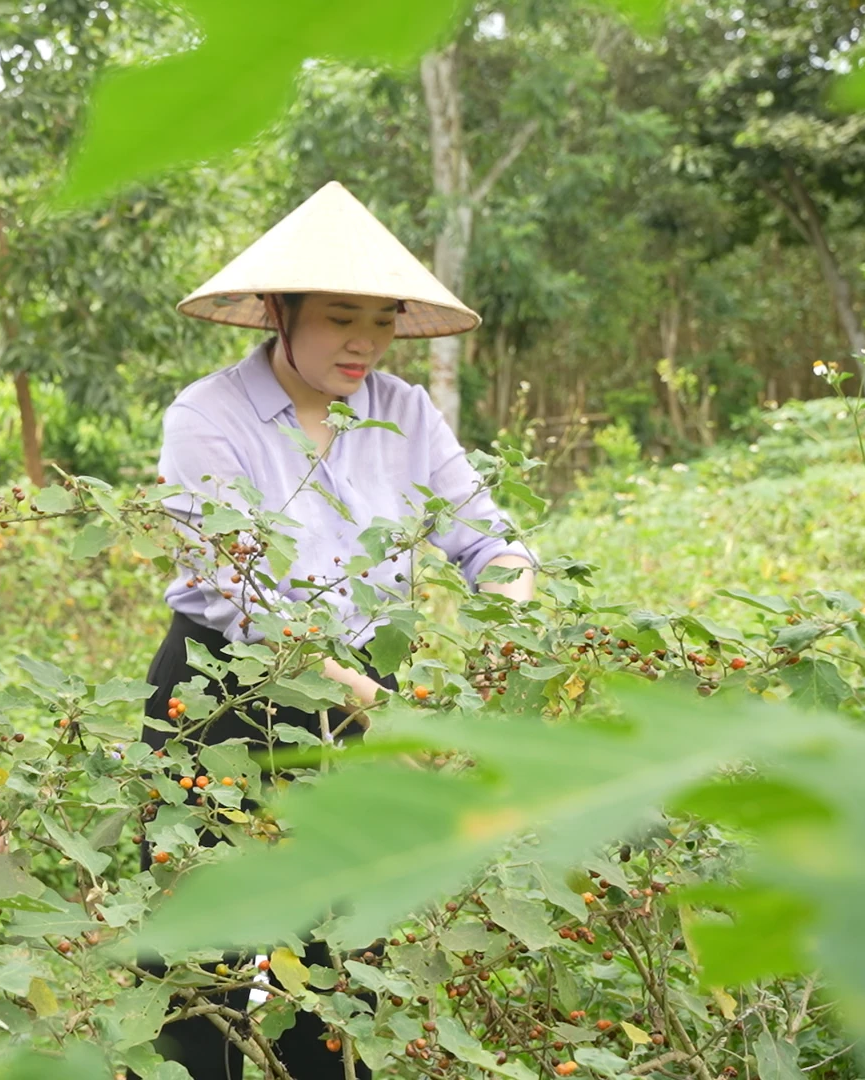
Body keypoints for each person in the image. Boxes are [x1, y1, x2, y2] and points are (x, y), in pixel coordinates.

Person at [141, 181, 536, 1080]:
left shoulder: (402, 410)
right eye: (339, 318)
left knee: (340, 962)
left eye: (382, 320)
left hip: (365, 698)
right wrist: (368, 704)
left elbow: (485, 536)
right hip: (221, 696)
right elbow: (230, 585)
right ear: (279, 312)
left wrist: (507, 626)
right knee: (198, 961)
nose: (363, 342)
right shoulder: (207, 416)